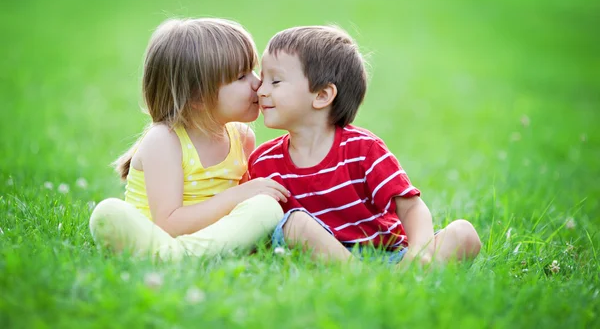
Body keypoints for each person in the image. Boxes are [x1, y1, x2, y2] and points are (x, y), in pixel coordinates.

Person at [248, 25, 481, 265]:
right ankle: (366, 280)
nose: (260, 90)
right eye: (262, 79)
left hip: (390, 256)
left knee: (464, 234)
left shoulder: (363, 149)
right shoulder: (263, 162)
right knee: (295, 224)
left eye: (275, 81)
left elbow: (411, 208)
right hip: (324, 262)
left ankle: (404, 275)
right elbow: (256, 227)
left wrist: (419, 252)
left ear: (321, 95)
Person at [89, 18, 289, 262]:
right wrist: (238, 195)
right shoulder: (165, 140)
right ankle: (180, 255)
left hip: (211, 237)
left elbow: (239, 214)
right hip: (155, 236)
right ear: (198, 97)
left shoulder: (242, 138)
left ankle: (174, 258)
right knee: (107, 213)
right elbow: (169, 224)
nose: (257, 83)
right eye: (241, 76)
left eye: (253, 71)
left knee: (265, 207)